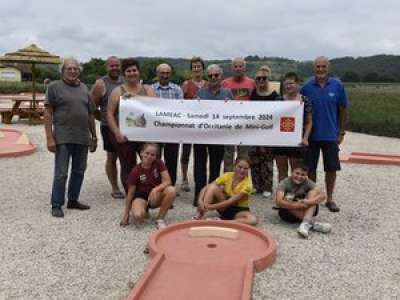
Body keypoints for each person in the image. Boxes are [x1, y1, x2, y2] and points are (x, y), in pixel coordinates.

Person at [44, 57, 96, 218]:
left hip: (82, 137)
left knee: (79, 171)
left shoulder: (84, 88)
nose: (72, 71)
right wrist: (49, 138)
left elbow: (90, 114)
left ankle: (73, 200)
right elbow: (48, 113)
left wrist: (94, 135)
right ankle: (56, 204)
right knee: (61, 172)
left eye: (75, 68)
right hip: (63, 137)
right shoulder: (53, 87)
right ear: (62, 71)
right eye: (69, 68)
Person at [300, 56, 349, 212]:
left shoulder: (337, 86)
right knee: (310, 168)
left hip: (330, 136)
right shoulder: (306, 87)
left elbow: (343, 110)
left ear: (328, 67)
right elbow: (297, 108)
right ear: (313, 68)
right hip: (312, 136)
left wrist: (341, 132)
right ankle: (313, 197)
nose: (320, 69)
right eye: (318, 67)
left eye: (323, 66)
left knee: (331, 168)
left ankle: (330, 199)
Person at [107, 58, 156, 193]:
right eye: (128, 71)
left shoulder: (147, 89)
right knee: (127, 165)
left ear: (139, 72)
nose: (132, 73)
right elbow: (109, 114)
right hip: (125, 136)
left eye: (134, 70)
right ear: (124, 74)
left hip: (144, 135)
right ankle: (131, 194)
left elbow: (156, 110)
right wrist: (116, 132)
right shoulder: (118, 91)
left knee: (150, 163)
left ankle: (151, 193)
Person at [193, 64, 233, 206]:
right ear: (207, 77)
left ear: (221, 76)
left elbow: (235, 114)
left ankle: (211, 195)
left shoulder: (228, 93)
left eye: (216, 75)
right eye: (210, 75)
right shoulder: (200, 93)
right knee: (199, 166)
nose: (213, 78)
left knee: (215, 167)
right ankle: (198, 195)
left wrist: (230, 105)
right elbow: (191, 113)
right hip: (200, 136)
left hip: (218, 136)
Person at [120, 143, 176, 229]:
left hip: (155, 195)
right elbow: (130, 193)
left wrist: (155, 189)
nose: (149, 156)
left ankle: (160, 219)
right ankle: (143, 210)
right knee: (138, 216)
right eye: (147, 153)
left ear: (156, 156)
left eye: (152, 155)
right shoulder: (135, 171)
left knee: (171, 190)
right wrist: (126, 214)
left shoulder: (159, 163)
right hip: (141, 196)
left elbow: (168, 181)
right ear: (141, 153)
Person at [91, 56, 124, 199]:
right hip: (108, 127)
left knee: (126, 157)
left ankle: (128, 184)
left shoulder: (125, 81)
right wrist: (104, 119)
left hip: (127, 126)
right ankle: (115, 187)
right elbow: (92, 107)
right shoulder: (100, 84)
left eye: (117, 65)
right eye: (112, 65)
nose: (115, 68)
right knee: (112, 157)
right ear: (106, 67)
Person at [248, 68, 280, 199]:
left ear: (268, 79)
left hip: (269, 134)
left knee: (267, 161)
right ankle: (256, 185)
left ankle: (267, 186)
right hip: (254, 133)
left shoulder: (275, 96)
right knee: (254, 160)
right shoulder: (253, 94)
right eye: (258, 78)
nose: (261, 80)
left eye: (264, 78)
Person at [196, 157, 257, 226]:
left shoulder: (248, 184)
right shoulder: (227, 175)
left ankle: (223, 222)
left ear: (248, 170)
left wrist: (210, 207)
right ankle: (201, 215)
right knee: (212, 187)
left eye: (245, 168)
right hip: (224, 207)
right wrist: (200, 200)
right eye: (239, 167)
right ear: (235, 166)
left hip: (239, 210)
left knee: (253, 220)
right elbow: (207, 187)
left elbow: (230, 202)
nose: (242, 170)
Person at [275, 164, 331, 238]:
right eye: (297, 173)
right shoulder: (284, 183)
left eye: (303, 175)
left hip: (306, 208)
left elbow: (323, 195)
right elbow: (278, 202)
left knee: (314, 193)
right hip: (288, 213)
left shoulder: (307, 181)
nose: (299, 177)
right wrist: (299, 205)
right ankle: (313, 223)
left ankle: (305, 224)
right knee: (286, 199)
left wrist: (308, 202)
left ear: (306, 176)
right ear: (292, 172)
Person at [275, 72, 312, 182]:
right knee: (282, 169)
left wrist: (305, 138)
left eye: (291, 83)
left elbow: (309, 122)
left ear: (297, 84)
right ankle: (282, 193)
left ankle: (295, 193)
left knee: (296, 170)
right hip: (280, 140)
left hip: (297, 140)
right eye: (286, 84)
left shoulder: (305, 100)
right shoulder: (278, 100)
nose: (288, 86)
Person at [151, 63, 184, 187]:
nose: (165, 75)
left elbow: (181, 109)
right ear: (157, 74)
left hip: (172, 133)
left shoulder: (177, 89)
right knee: (154, 160)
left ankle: (170, 187)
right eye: (162, 73)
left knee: (171, 161)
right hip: (155, 132)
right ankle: (154, 187)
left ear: (171, 74)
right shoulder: (150, 89)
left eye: (167, 73)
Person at [222, 57, 256, 172]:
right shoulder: (225, 83)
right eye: (235, 66)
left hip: (245, 125)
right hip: (229, 124)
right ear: (232, 68)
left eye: (240, 66)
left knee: (244, 156)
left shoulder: (251, 83)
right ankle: (227, 182)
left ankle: (242, 183)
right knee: (228, 156)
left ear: (244, 68)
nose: (238, 68)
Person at [180, 57, 208, 192]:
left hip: (204, 125)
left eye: (199, 66)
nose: (196, 69)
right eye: (194, 67)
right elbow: (180, 103)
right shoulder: (186, 84)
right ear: (191, 69)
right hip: (188, 125)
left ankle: (201, 179)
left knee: (202, 154)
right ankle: (184, 178)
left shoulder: (208, 84)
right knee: (185, 152)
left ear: (203, 68)